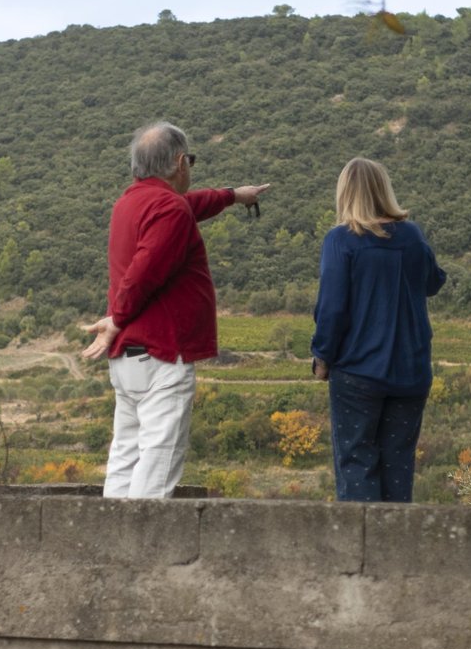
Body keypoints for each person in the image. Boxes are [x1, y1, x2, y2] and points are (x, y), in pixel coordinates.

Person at [83, 122, 270, 498]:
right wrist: (117, 319)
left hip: (131, 360)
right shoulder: (169, 208)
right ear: (180, 162)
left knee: (126, 455)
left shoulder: (131, 202)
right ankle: (140, 550)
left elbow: (189, 205)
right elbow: (143, 273)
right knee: (158, 460)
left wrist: (234, 196)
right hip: (162, 355)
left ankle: (109, 540)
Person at [310, 157, 446, 502]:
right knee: (398, 466)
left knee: (356, 463)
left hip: (358, 372)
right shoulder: (413, 236)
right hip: (411, 372)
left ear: (346, 193)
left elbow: (332, 309)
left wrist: (322, 357)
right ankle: (394, 552)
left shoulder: (341, 240)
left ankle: (360, 554)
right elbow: (433, 282)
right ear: (384, 190)